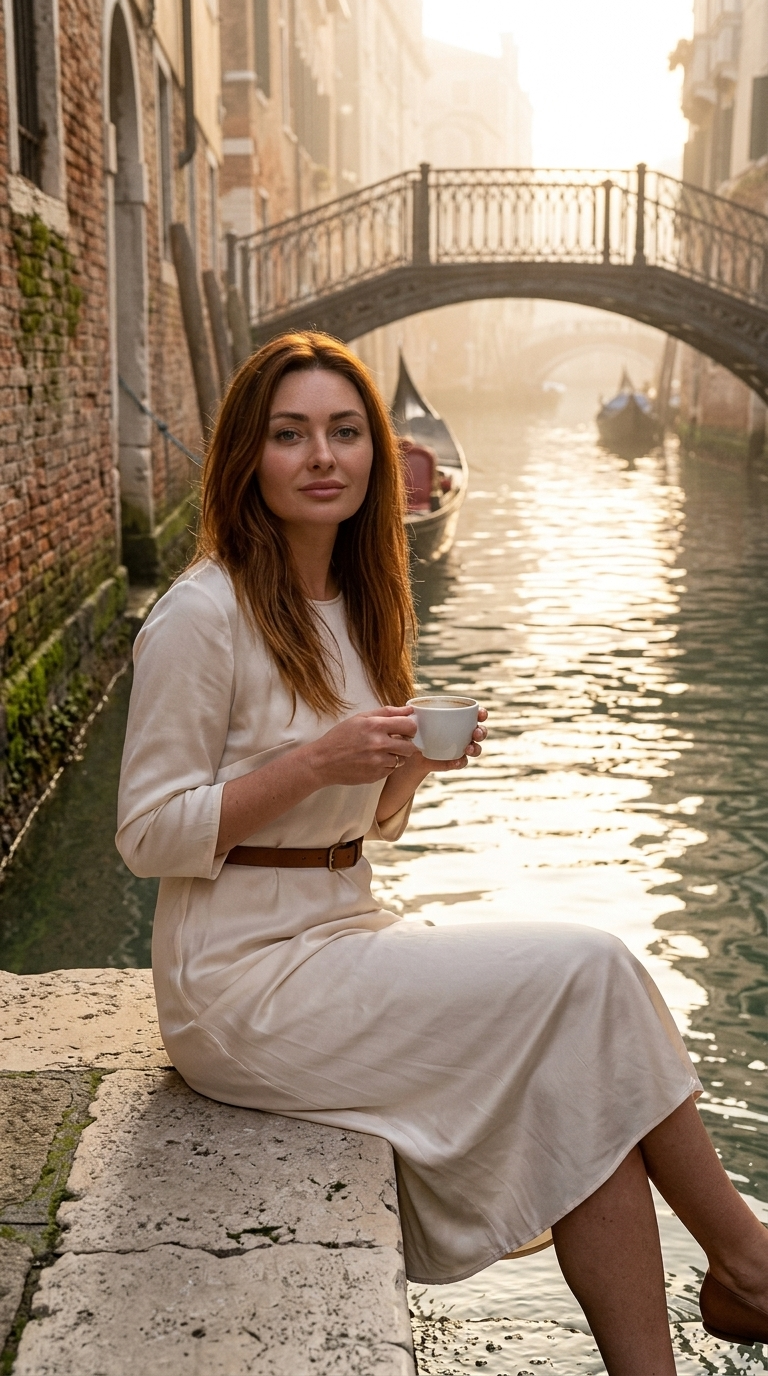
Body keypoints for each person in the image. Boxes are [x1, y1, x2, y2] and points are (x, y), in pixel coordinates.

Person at [117, 331, 768, 1375]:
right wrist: (316, 759)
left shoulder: (362, 598)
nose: (321, 456)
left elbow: (351, 829)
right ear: (247, 456)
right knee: (593, 968)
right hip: (236, 979)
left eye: (344, 432)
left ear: (376, 454)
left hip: (341, 926)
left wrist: (405, 773)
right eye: (290, 434)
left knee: (583, 1078)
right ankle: (748, 1260)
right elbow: (148, 834)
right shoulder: (201, 613)